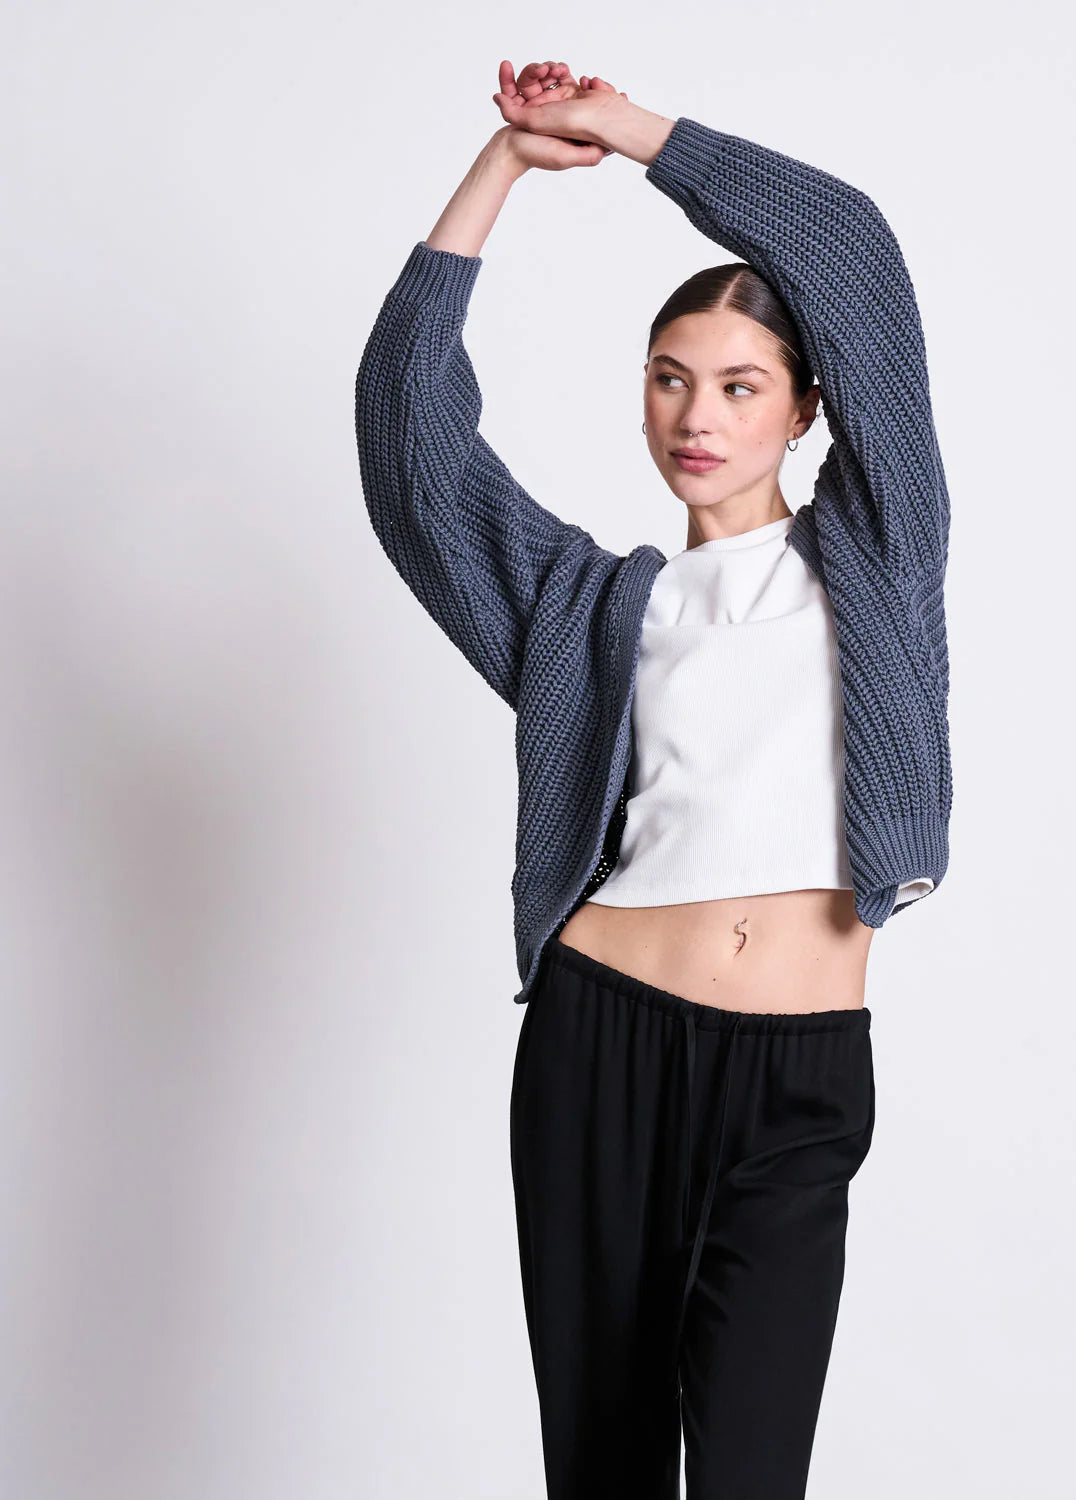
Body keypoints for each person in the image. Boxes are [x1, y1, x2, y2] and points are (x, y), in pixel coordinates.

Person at [354, 57, 952, 1500]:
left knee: (750, 1471)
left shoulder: (877, 556)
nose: (700, 415)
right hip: (599, 1050)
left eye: (740, 387)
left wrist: (630, 135)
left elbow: (853, 256)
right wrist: (502, 166)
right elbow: (411, 446)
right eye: (671, 381)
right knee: (603, 1471)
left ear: (805, 409)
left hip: (797, 1070)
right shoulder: (588, 609)